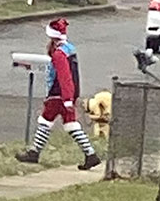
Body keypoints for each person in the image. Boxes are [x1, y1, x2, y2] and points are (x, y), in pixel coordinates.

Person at [16, 18, 101, 170]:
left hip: (59, 95)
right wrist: (72, 97)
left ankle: (34, 152)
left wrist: (67, 99)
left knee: (45, 121)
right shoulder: (70, 49)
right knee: (71, 125)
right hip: (68, 95)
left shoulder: (59, 55)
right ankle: (90, 154)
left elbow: (64, 77)